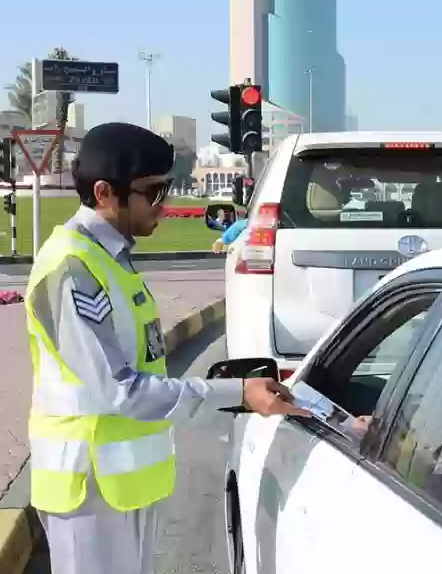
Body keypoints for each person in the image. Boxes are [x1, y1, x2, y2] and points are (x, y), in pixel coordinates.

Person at [24, 122, 307, 574]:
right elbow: (120, 391)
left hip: (123, 487)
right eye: (154, 192)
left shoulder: (108, 258)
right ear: (104, 193)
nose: (165, 204)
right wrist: (236, 394)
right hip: (88, 488)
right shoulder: (71, 268)